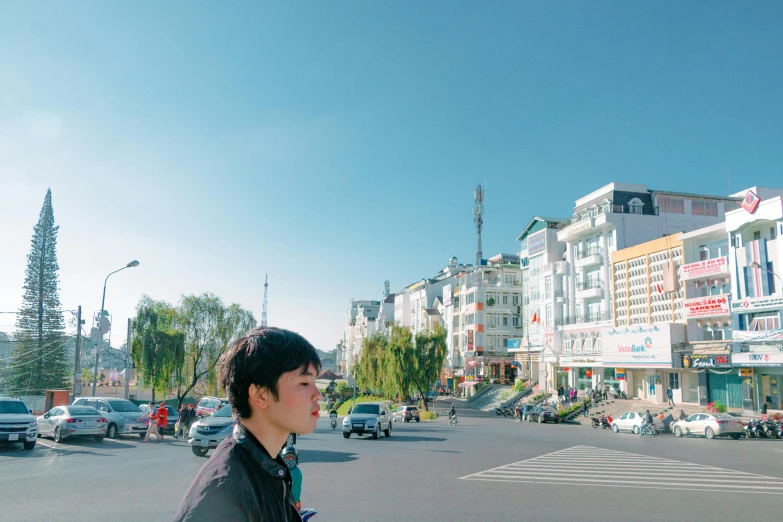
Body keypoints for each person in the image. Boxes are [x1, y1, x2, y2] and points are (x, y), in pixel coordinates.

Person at [173, 327, 322, 522]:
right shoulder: (225, 491)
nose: (317, 394)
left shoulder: (269, 466)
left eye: (315, 382)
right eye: (304, 383)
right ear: (260, 394)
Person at [281, 446, 302, 512]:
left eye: (292, 458)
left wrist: (296, 502)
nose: (290, 460)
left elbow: (296, 490)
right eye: (287, 457)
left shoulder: (297, 472)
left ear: (296, 460)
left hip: (292, 500)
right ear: (283, 459)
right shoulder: (280, 469)